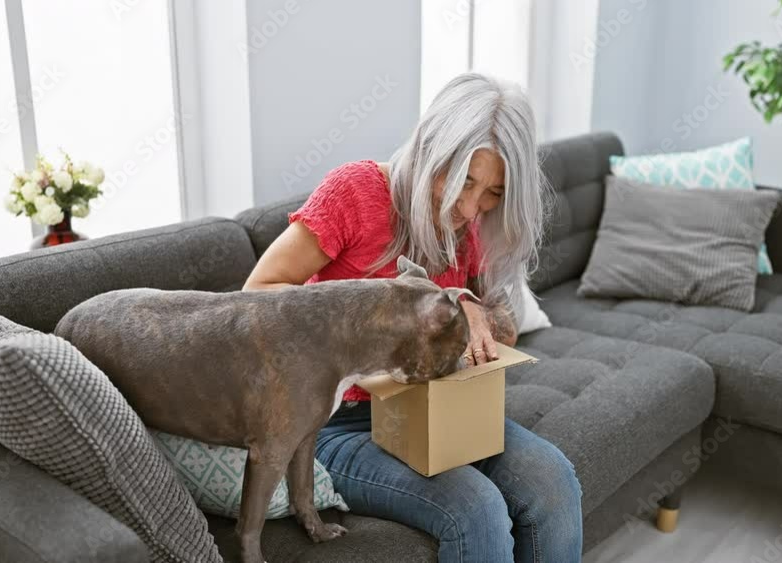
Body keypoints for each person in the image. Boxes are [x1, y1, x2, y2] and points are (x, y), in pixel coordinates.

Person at [242, 72, 582, 563]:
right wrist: (423, 308)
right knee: (476, 509)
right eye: (463, 180)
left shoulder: (473, 225)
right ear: (430, 149)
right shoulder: (356, 192)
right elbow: (257, 298)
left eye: (493, 192)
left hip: (435, 408)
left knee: (553, 482)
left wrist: (475, 310)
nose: (470, 206)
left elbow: (499, 326)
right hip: (334, 422)